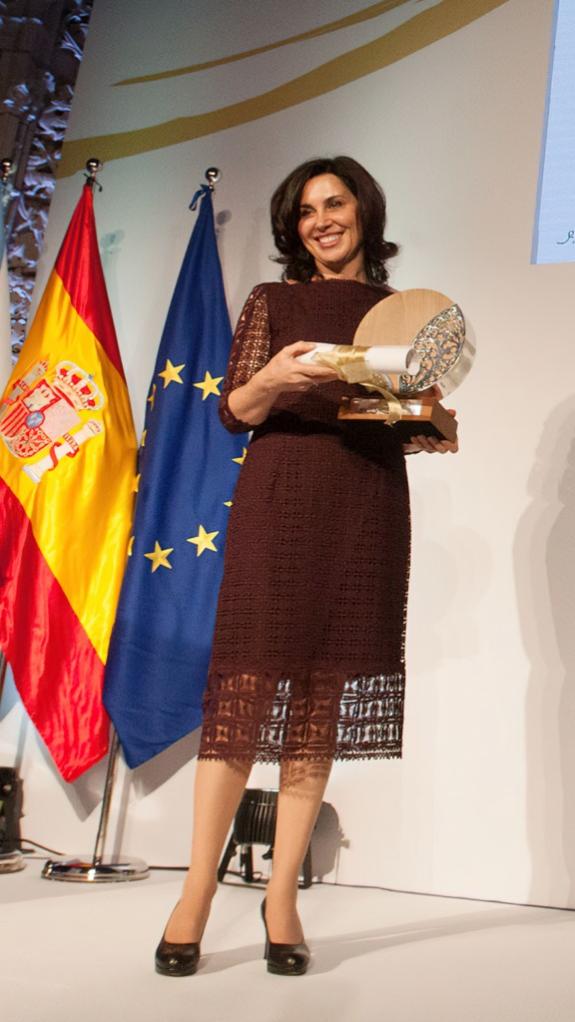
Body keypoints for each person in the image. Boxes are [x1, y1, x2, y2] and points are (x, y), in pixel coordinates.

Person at [155, 155, 458, 978]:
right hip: (280, 499)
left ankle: (280, 895)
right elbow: (232, 411)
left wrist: (433, 423)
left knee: (320, 699)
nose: (322, 219)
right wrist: (274, 376)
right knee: (242, 698)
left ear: (364, 209)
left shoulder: (403, 311)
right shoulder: (274, 302)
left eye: (335, 202)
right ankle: (194, 895)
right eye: (305, 211)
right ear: (293, 228)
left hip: (364, 506)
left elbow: (396, 414)